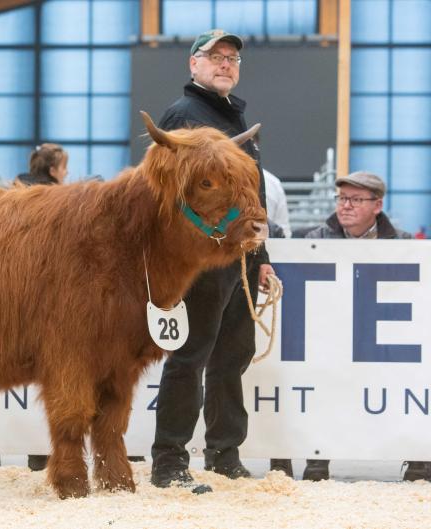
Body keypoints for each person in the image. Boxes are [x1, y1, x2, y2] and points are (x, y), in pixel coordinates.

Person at [149, 29, 275, 494]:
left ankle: (225, 454)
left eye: (232, 58)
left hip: (240, 256)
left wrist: (262, 256)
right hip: (202, 258)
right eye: (215, 56)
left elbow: (252, 196)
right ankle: (169, 462)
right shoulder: (183, 117)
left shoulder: (232, 116)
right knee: (190, 356)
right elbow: (168, 197)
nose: (225, 63)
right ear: (194, 64)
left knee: (232, 357)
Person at [275, 171, 428, 482]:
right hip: (328, 334)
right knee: (320, 386)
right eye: (342, 198)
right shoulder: (314, 240)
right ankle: (317, 459)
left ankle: (417, 458)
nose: (345, 206)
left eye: (356, 200)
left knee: (409, 380)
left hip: (383, 335)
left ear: (377, 205)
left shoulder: (403, 243)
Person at [12, 143, 69, 471]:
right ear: (53, 171)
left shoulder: (15, 188)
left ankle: (37, 453)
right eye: (64, 168)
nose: (67, 174)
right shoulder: (56, 202)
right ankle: (42, 454)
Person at [264, 169, 291, 238]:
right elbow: (285, 232)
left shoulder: (272, 182)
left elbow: (284, 231)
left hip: (269, 239)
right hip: (271, 241)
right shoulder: (273, 181)